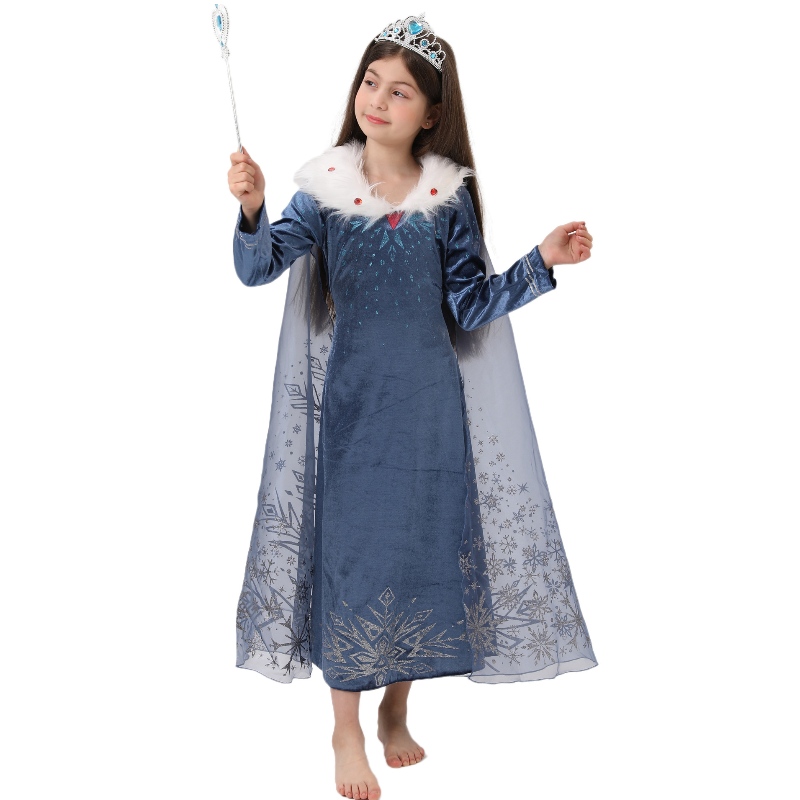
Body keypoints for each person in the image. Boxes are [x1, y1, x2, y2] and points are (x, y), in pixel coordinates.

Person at [227, 14, 597, 800]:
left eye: (400, 91)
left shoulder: (445, 199)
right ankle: (345, 728)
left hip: (432, 412)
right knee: (356, 558)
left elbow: (470, 306)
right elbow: (258, 269)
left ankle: (396, 707)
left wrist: (541, 260)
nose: (378, 100)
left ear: (430, 113)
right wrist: (253, 208)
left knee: (419, 553)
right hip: (357, 411)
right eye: (371, 82)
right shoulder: (326, 191)